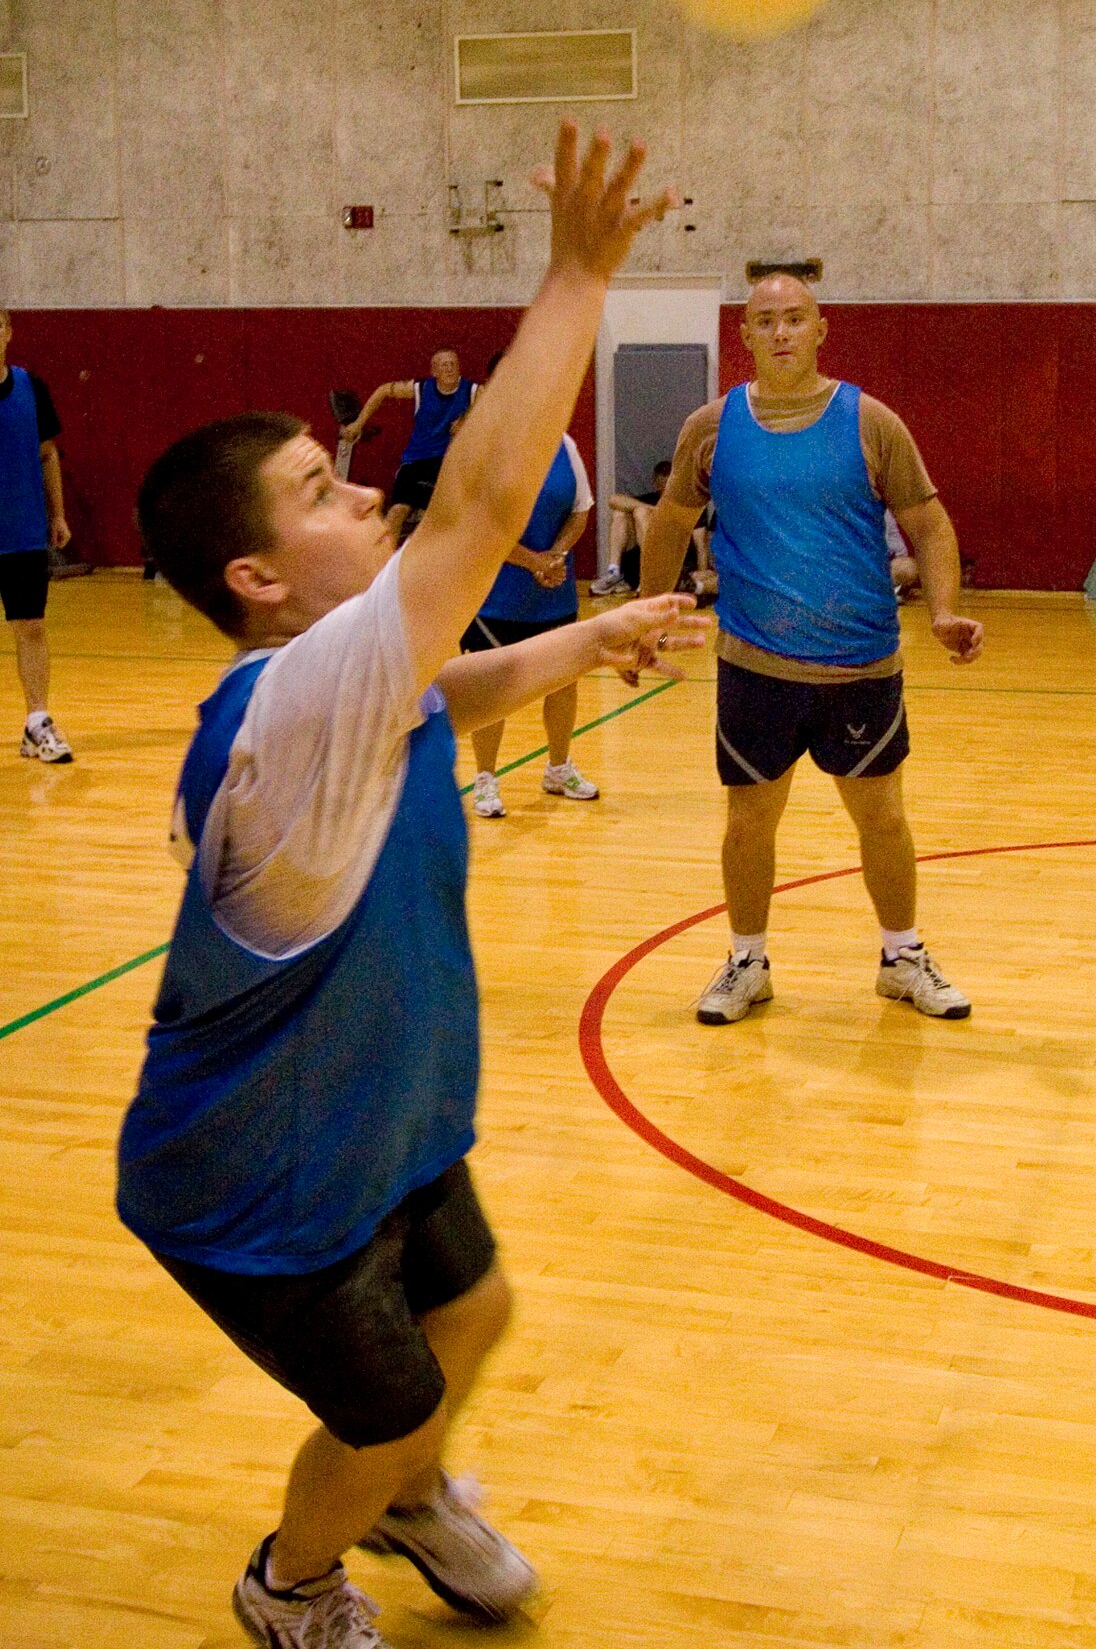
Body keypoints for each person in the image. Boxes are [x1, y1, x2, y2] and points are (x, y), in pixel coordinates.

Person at [117, 124, 703, 1649]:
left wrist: (587, 638)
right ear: (255, 579)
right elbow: (475, 519)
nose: (363, 495)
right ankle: (292, 1581)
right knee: (381, 1404)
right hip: (260, 1183)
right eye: (321, 490)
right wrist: (577, 275)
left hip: (378, 1123)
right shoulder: (294, 705)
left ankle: (408, 1494)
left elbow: (455, 684)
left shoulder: (352, 696)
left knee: (476, 1310)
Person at [639, 272, 984, 1027]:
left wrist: (944, 611)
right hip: (754, 664)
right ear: (746, 337)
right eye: (766, 322)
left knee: (883, 818)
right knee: (748, 820)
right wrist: (644, 613)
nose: (782, 333)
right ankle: (746, 960)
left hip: (859, 662)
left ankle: (901, 957)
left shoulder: (870, 421)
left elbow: (928, 523)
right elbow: (668, 522)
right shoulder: (711, 426)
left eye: (795, 319)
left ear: (821, 328)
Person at [460, 356, 598, 819]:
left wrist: (555, 556)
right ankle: (484, 780)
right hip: (495, 595)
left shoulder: (564, 444)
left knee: (562, 682)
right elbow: (480, 526)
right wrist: (532, 561)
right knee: (491, 688)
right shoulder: (481, 449)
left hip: (553, 590)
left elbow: (580, 509)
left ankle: (558, 768)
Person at [0, 308, 74, 762]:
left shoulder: (31, 387)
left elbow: (48, 455)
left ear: (7, 331)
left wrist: (58, 515)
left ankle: (36, 723)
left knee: (30, 627)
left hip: (22, 531)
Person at [341, 348, 477, 545]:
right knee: (397, 512)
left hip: (447, 462)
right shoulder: (421, 389)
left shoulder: (471, 391)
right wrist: (358, 424)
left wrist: (467, 418)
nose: (449, 369)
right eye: (443, 365)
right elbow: (384, 390)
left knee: (441, 519)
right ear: (434, 371)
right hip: (416, 460)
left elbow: (494, 398)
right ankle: (381, 567)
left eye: (453, 364)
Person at [590, 459, 713, 599]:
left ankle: (651, 579)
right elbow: (613, 500)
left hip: (675, 568)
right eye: (662, 488)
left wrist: (702, 576)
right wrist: (655, 510)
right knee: (622, 514)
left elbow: (701, 545)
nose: (665, 492)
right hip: (639, 566)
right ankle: (614, 572)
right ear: (656, 485)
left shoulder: (690, 505)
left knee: (640, 513)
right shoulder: (650, 500)